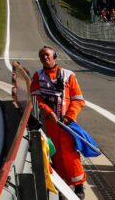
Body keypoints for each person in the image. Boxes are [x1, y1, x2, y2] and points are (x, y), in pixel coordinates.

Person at [30, 46, 87, 199]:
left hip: (67, 124)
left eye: (47, 55)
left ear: (54, 56)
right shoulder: (37, 76)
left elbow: (78, 99)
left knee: (71, 155)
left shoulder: (69, 75)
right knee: (56, 156)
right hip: (50, 125)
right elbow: (35, 98)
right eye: (41, 55)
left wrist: (69, 116)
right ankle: (63, 188)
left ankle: (79, 187)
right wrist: (48, 113)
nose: (45, 57)